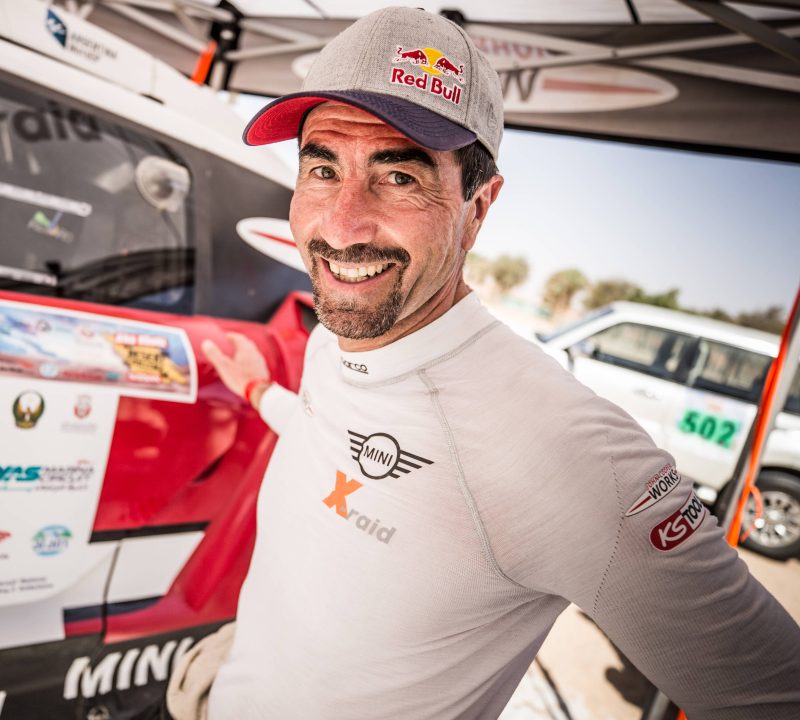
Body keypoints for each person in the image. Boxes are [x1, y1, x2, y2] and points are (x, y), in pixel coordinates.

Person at [169, 7, 800, 720]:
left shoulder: (563, 448)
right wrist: (257, 388)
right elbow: (330, 433)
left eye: (398, 177)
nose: (341, 225)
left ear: (478, 207)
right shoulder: (333, 341)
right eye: (322, 168)